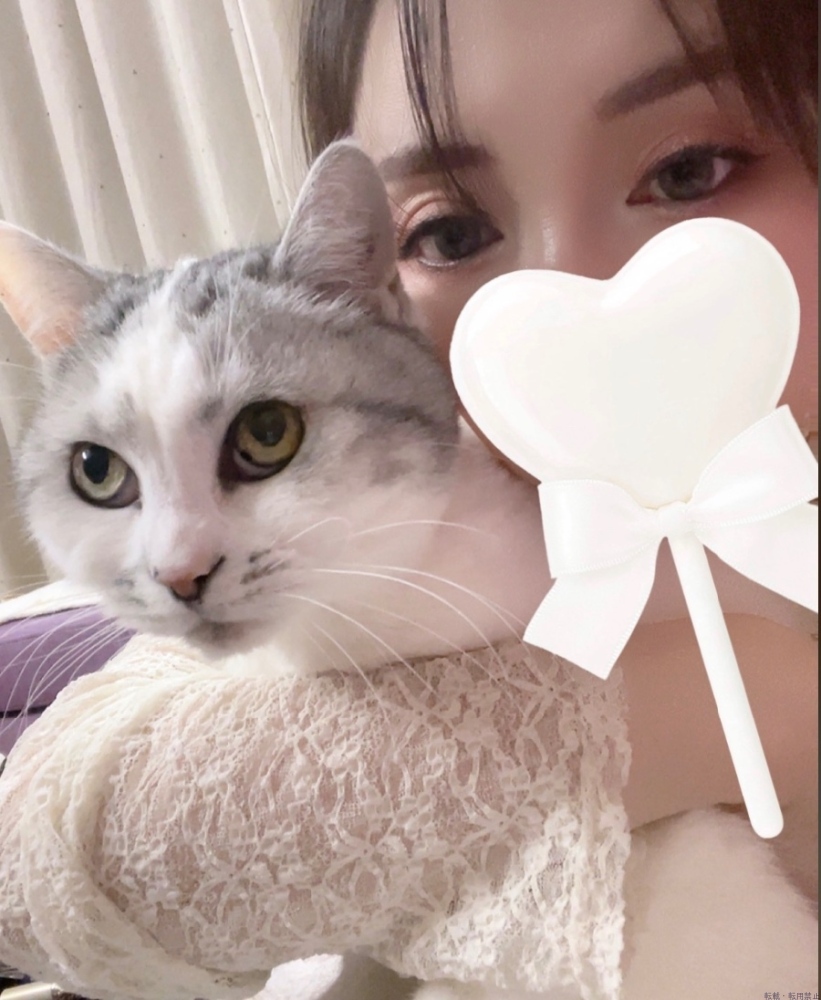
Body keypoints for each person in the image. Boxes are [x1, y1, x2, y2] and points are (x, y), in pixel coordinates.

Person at [0, 0, 816, 997]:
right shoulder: (430, 502)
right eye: (449, 231)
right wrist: (721, 707)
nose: (560, 285)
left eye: (688, 171)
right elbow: (50, 844)